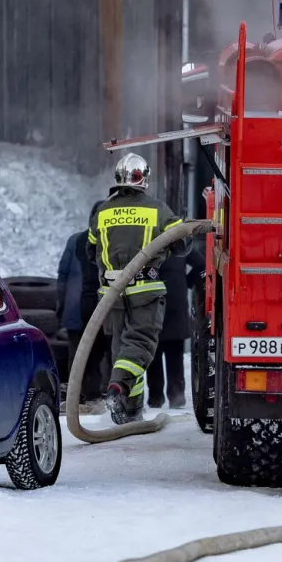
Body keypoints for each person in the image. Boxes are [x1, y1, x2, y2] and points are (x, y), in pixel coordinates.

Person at [87, 152, 184, 424]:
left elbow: (89, 249)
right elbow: (182, 244)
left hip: (111, 294)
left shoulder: (102, 211)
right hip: (144, 289)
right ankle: (118, 389)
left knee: (123, 350)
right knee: (140, 345)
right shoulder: (157, 209)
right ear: (145, 179)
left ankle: (131, 410)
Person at [56, 229, 108, 405]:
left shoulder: (75, 240)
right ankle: (95, 394)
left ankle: (76, 395)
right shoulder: (110, 238)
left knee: (77, 353)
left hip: (74, 307)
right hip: (98, 306)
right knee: (98, 352)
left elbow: (62, 274)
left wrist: (61, 305)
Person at [147, 247, 204, 409]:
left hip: (150, 301)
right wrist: (187, 281)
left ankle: (155, 397)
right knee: (175, 355)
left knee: (153, 354)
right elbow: (202, 264)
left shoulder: (148, 239)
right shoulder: (179, 242)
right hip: (175, 301)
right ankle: (176, 395)